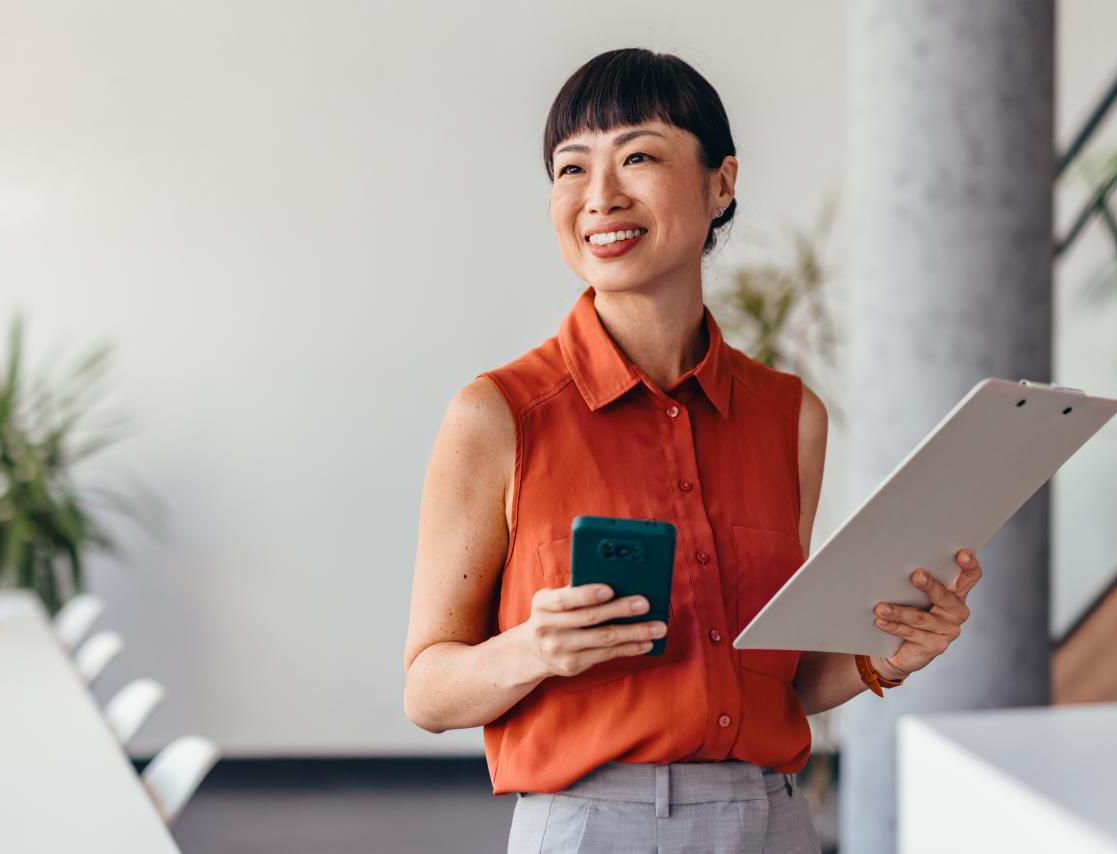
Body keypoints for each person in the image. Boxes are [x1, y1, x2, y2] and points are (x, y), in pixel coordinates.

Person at [403, 47, 983, 854]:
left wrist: (885, 654)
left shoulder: (790, 417)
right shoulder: (497, 416)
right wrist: (534, 650)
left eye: (638, 156)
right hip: (591, 825)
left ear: (722, 184)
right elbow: (428, 691)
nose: (599, 196)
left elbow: (781, 677)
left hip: (775, 819)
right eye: (572, 169)